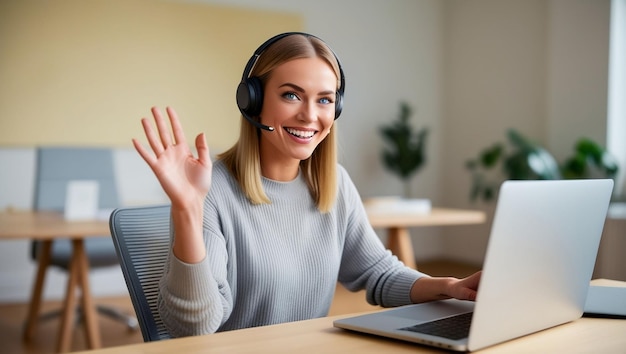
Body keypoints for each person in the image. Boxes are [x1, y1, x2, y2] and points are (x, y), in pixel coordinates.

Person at [133, 32, 481, 338]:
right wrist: (187, 209)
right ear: (252, 102)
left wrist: (449, 287)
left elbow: (377, 272)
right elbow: (193, 328)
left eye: (325, 99)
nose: (310, 115)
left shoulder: (335, 184)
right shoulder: (213, 189)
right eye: (291, 95)